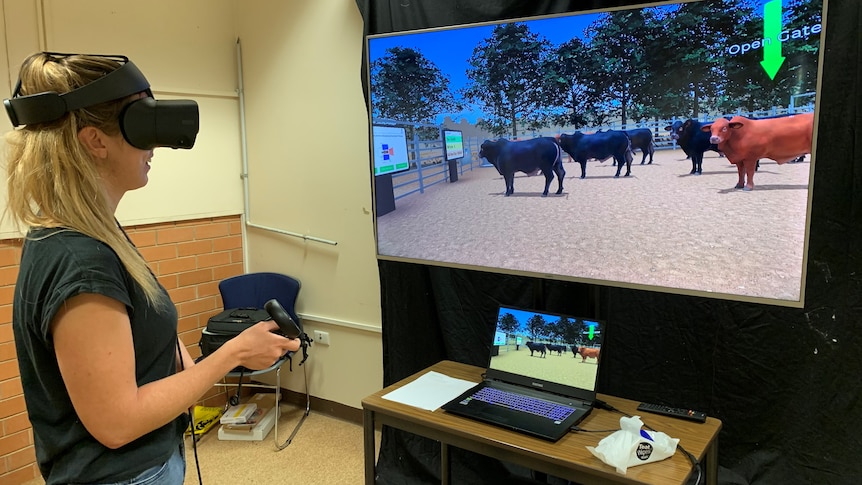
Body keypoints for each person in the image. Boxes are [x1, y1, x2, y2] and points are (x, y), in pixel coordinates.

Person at [4, 52, 300, 484]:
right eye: (141, 127)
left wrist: (188, 361)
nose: (154, 147)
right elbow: (117, 423)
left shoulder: (93, 233)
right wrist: (232, 354)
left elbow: (146, 331)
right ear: (95, 141)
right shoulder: (80, 261)